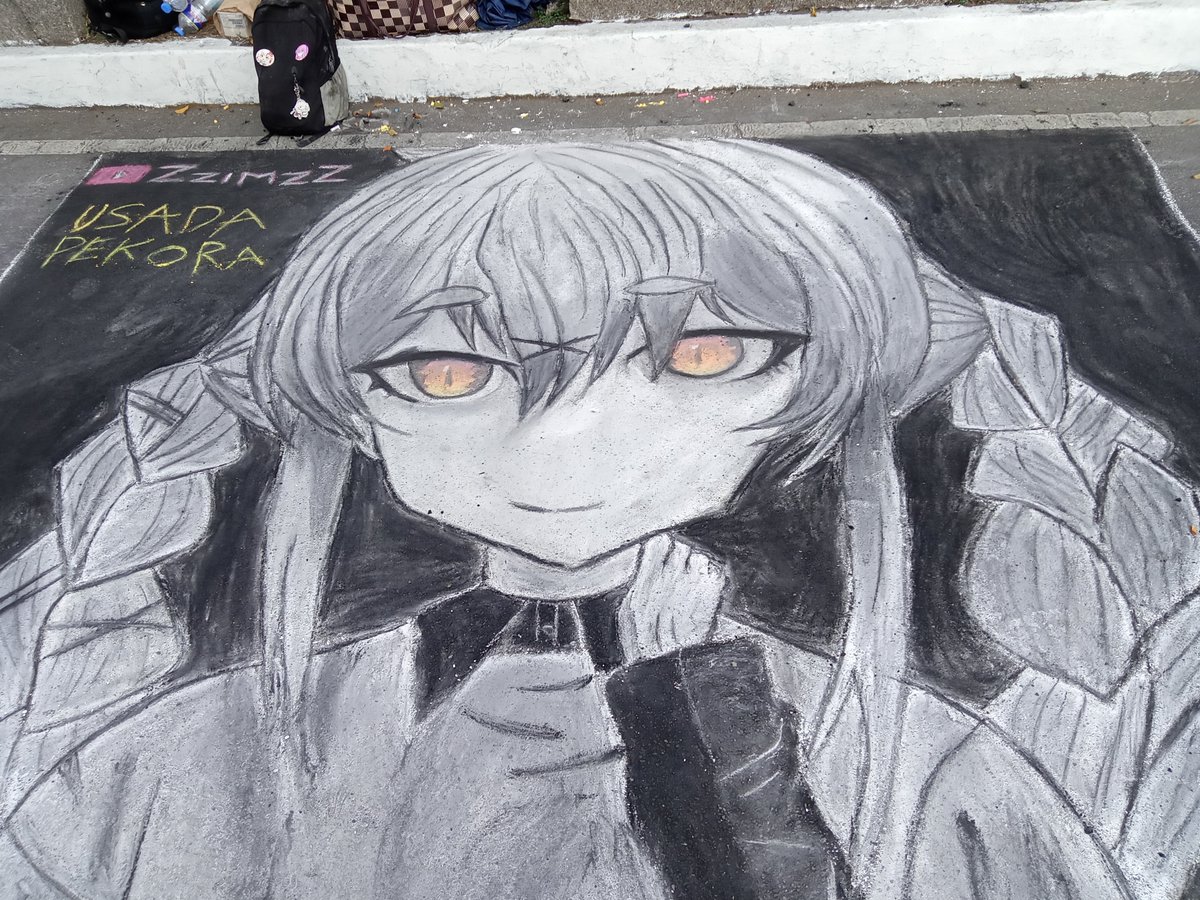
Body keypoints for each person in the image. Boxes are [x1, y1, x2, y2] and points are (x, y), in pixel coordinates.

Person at [0, 141, 1166, 899]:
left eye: (702, 355)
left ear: (807, 394)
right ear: (352, 408)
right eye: (449, 372)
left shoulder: (924, 763)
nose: (563, 439)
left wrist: (709, 741)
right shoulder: (172, 761)